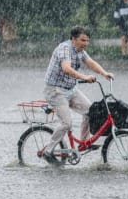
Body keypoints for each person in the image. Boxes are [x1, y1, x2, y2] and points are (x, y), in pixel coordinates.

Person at [41, 26, 115, 164]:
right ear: (73, 39)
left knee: (91, 112)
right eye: (82, 40)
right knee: (66, 123)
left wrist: (105, 73)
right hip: (55, 90)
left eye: (87, 41)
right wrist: (85, 77)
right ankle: (48, 150)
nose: (85, 44)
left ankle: (84, 143)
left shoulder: (80, 51)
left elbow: (91, 63)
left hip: (71, 89)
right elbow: (66, 68)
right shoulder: (65, 49)